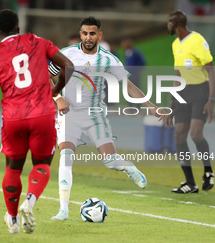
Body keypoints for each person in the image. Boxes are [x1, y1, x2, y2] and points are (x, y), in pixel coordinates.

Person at [49, 16, 165, 220]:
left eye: (92, 33)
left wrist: (151, 106)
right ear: (80, 34)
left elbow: (128, 86)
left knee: (110, 161)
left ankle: (128, 167)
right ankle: (63, 210)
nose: (88, 37)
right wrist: (57, 97)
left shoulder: (109, 59)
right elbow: (46, 75)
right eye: (84, 33)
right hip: (69, 115)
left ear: (99, 35)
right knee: (66, 158)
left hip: (95, 115)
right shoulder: (65, 54)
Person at [0, 9, 73, 234]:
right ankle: (28, 202)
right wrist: (56, 90)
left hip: (13, 118)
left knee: (13, 169)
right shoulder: (37, 41)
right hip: (42, 114)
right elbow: (68, 65)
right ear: (18, 29)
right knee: (42, 164)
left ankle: (12, 220)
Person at [165, 10, 214, 193]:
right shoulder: (175, 44)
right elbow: (178, 74)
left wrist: (211, 99)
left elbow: (211, 71)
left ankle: (208, 172)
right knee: (179, 135)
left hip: (200, 91)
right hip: (183, 93)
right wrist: (172, 100)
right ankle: (190, 183)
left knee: (195, 134)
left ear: (175, 23)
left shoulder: (197, 40)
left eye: (169, 22)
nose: (167, 26)